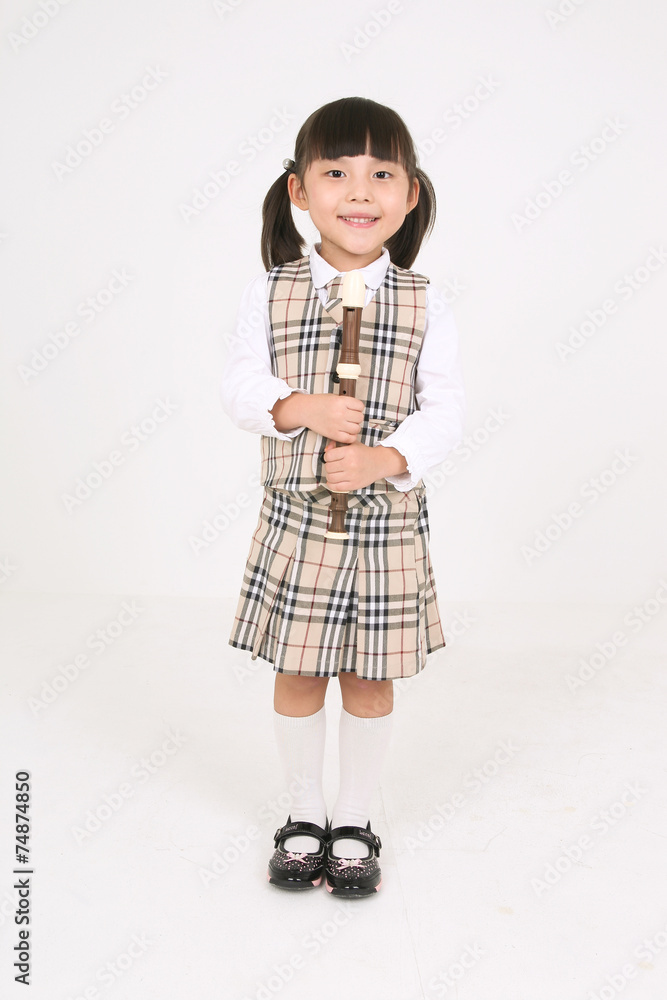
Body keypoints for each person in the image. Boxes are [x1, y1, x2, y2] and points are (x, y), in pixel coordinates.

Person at [220, 96, 465, 897]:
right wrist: (300, 408)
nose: (359, 192)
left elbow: (446, 411)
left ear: (410, 194)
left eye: (381, 174)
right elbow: (239, 386)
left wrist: (385, 457)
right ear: (299, 189)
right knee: (298, 671)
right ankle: (302, 813)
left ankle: (354, 818)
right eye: (336, 173)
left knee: (367, 677)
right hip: (297, 522)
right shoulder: (271, 290)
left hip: (385, 526)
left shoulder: (425, 299)